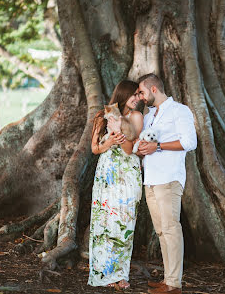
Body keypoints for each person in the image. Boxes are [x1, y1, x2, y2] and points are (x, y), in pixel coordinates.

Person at [136, 74, 197, 294]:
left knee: (171, 230)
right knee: (161, 232)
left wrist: (158, 147)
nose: (141, 97)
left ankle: (174, 285)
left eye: (142, 92)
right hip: (151, 179)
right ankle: (168, 279)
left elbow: (190, 142)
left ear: (154, 89)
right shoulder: (150, 115)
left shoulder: (179, 110)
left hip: (169, 179)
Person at [88, 80, 144, 290]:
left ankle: (120, 274)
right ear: (123, 94)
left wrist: (120, 132)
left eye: (139, 95)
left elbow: (130, 149)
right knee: (104, 222)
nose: (138, 98)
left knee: (123, 224)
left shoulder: (136, 117)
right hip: (107, 175)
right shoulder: (101, 116)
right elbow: (94, 148)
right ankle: (103, 271)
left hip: (127, 174)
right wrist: (109, 141)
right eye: (134, 94)